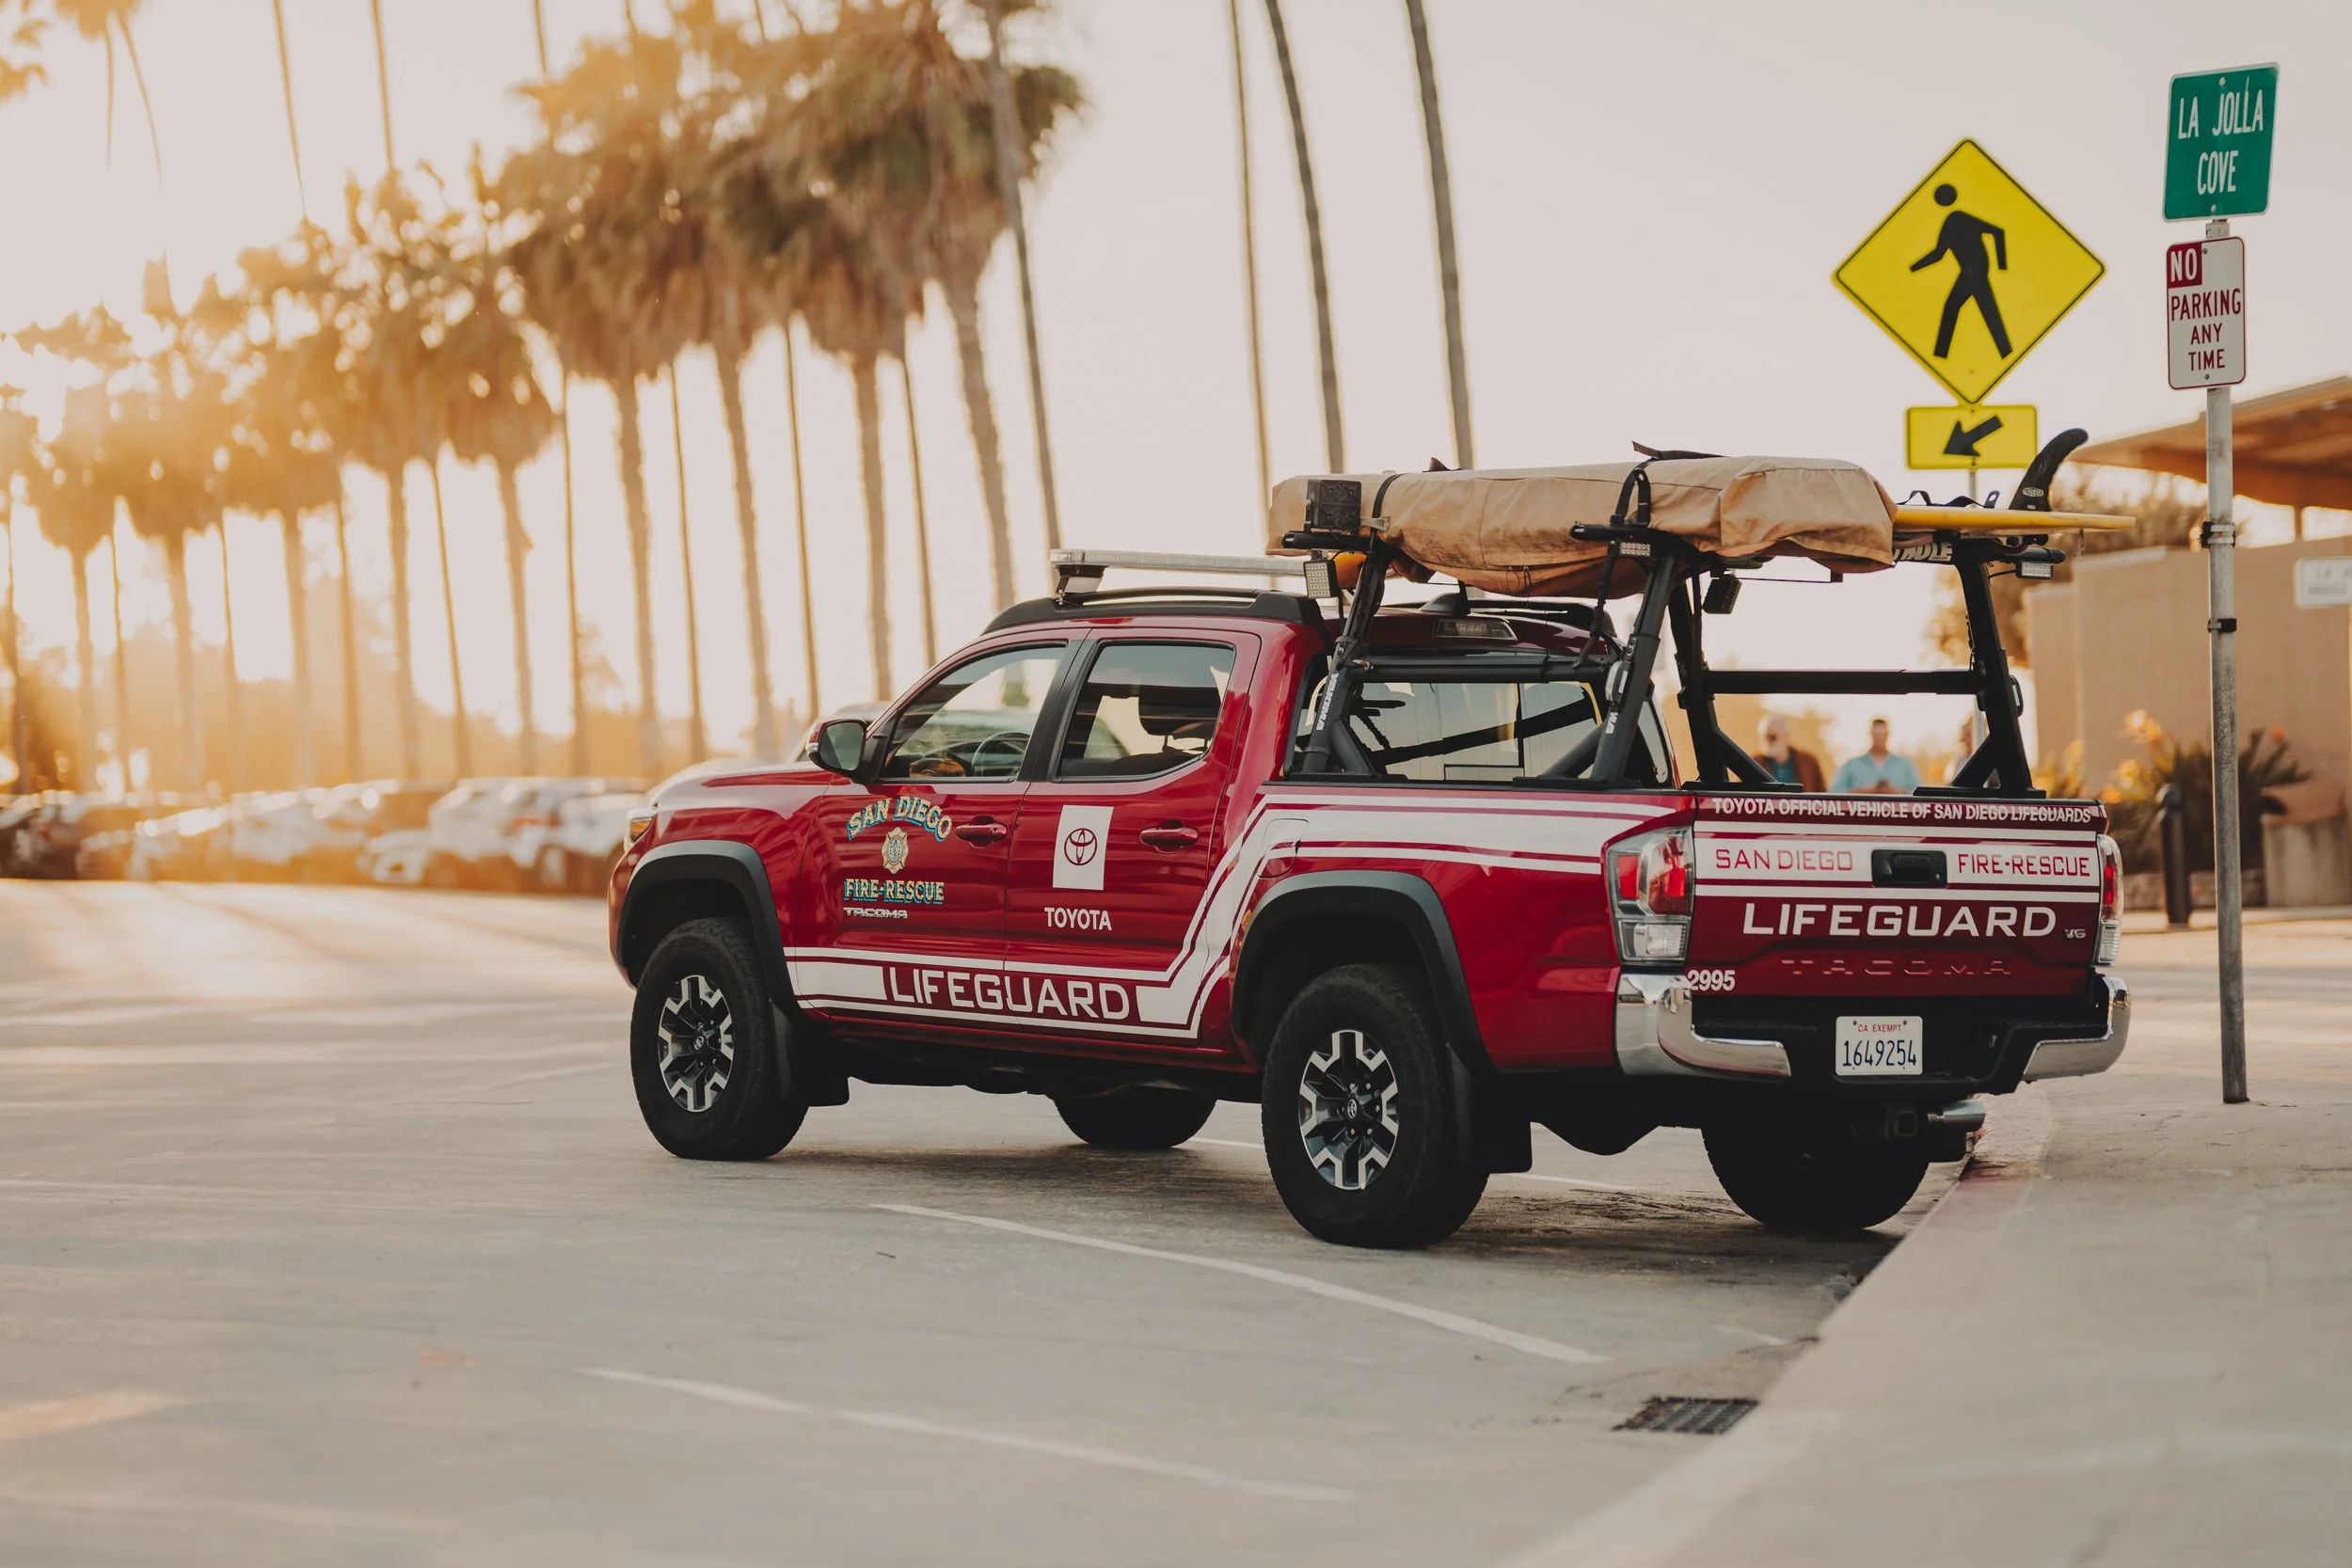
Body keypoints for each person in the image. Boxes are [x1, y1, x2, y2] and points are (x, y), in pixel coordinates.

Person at [1832, 718, 1922, 795]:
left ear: (1888, 734)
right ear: (1871, 734)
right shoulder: (1852, 764)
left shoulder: (1905, 764)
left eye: (1882, 733)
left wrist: (1896, 792)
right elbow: (1834, 791)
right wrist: (1864, 791)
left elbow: (1918, 792)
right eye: (1877, 733)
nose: (1880, 737)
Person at [1752, 715, 1825, 791]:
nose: (1768, 741)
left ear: (1786, 736)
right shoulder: (1755, 763)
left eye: (1773, 737)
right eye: (1765, 737)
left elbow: (1822, 795)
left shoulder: (1808, 762)